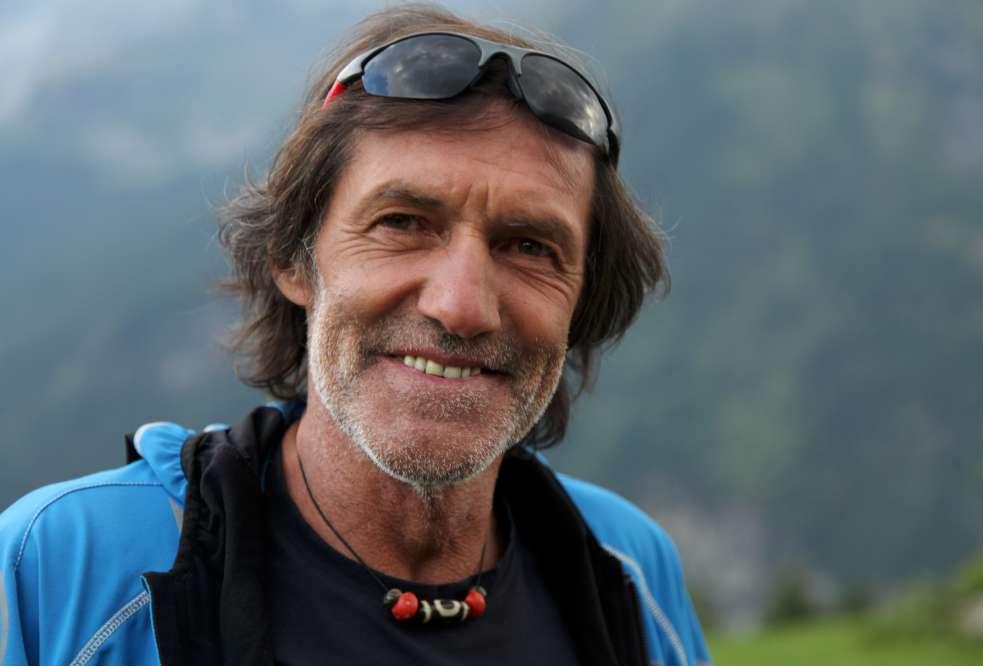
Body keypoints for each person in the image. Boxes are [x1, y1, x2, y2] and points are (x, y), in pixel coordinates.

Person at [0, 5, 709, 665]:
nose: (461, 306)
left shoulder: (627, 569)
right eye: (402, 224)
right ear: (292, 260)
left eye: (529, 246)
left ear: (582, 301)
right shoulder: (63, 568)